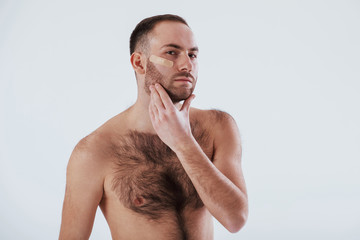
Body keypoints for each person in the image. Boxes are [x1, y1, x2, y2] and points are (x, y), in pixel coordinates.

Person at [59, 14, 248, 240]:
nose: (187, 64)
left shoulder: (218, 127)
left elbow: (235, 219)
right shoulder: (94, 151)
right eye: (171, 52)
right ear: (139, 63)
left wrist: (183, 143)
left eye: (192, 54)